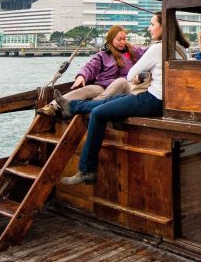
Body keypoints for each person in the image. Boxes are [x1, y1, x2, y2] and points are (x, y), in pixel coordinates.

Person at [56, 12, 189, 185]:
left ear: (163, 27)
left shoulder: (158, 48)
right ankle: (72, 106)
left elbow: (130, 75)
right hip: (167, 102)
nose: (149, 28)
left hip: (152, 101)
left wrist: (142, 73)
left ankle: (86, 170)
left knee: (97, 113)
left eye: (152, 24)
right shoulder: (180, 48)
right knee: (111, 100)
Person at [39, 25, 144, 117]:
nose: (122, 42)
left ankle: (87, 107)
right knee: (87, 89)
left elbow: (150, 53)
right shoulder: (102, 55)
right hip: (104, 87)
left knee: (121, 81)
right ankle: (53, 106)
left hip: (125, 88)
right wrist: (82, 76)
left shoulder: (133, 52)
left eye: (124, 39)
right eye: (119, 39)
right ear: (111, 40)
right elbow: (90, 66)